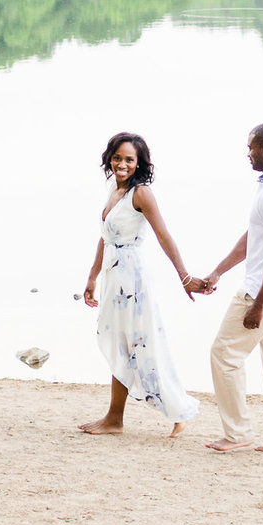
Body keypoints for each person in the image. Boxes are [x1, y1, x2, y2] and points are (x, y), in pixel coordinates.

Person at [78, 133, 203, 437]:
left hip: (131, 277)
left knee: (139, 344)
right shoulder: (114, 190)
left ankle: (173, 411)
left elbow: (164, 236)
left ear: (139, 163)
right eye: (117, 157)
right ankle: (114, 419)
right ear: (110, 158)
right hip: (113, 274)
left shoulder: (141, 193)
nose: (122, 164)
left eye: (129, 159)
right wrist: (92, 277)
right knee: (121, 344)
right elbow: (105, 237)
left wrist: (184, 276)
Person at [192, 122, 263, 455]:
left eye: (252, 148)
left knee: (224, 355)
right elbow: (255, 237)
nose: (248, 153)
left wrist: (258, 304)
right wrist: (218, 272)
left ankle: (238, 432)